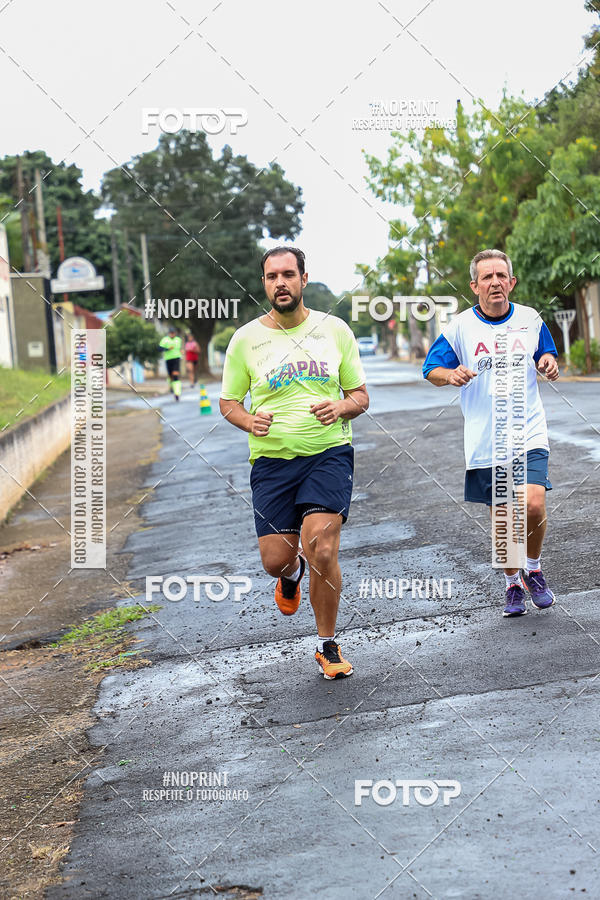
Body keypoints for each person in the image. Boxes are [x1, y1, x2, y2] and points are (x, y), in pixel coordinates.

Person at [219, 246, 369, 678]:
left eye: (288, 274)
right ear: (263, 283)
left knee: (321, 545)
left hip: (328, 453)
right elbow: (228, 402)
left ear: (304, 279)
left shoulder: (334, 330)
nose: (279, 283)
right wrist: (249, 420)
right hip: (272, 462)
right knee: (274, 560)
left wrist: (341, 409)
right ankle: (291, 574)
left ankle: (327, 645)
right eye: (271, 276)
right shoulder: (246, 340)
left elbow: (360, 396)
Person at [422, 248, 559, 618]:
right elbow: (430, 368)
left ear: (511, 282)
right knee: (504, 525)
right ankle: (512, 583)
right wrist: (450, 375)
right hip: (487, 440)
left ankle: (533, 568)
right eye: (487, 277)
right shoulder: (460, 328)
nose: (495, 282)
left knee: (532, 503)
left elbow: (546, 355)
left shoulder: (530, 319)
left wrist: (548, 363)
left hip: (528, 429)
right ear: (474, 286)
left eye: (502, 275)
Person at [159, 327, 183, 401]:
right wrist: (167, 349)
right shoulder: (165, 340)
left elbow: (180, 348)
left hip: (176, 358)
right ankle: (172, 386)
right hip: (168, 359)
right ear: (169, 333)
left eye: (173, 333)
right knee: (170, 376)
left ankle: (177, 393)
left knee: (175, 375)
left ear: (175, 333)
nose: (172, 334)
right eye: (171, 333)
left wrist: (182, 353)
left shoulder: (178, 340)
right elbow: (159, 349)